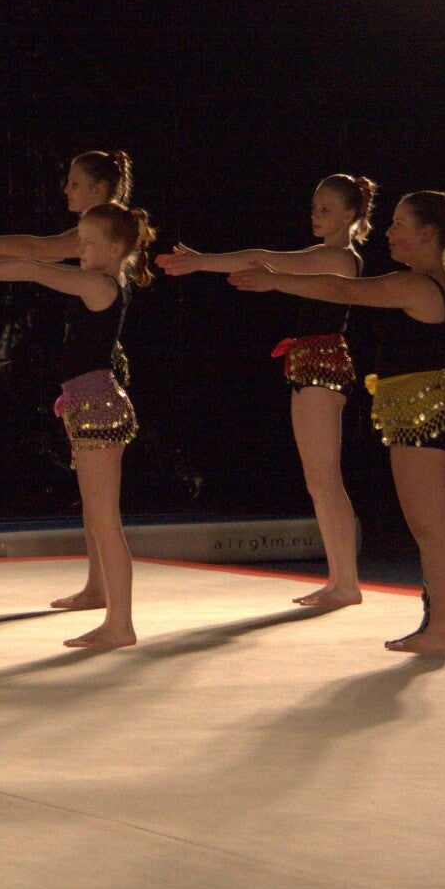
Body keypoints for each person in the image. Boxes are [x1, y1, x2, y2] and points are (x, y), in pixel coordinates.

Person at [231, 191, 445, 654]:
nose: (389, 232)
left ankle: (440, 630)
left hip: (425, 417)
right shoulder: (419, 280)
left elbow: (344, 290)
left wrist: (275, 280)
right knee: (427, 529)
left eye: (400, 224)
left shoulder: (417, 285)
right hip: (415, 415)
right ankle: (435, 626)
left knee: (431, 530)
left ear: (427, 234)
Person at [0, 203, 154, 649]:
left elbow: (33, 267)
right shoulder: (104, 280)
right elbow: (32, 259)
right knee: (99, 518)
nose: (79, 249)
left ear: (115, 249)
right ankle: (110, 610)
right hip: (88, 407)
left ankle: (120, 624)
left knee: (105, 522)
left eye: (88, 243)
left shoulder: (100, 284)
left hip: (97, 409)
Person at [157, 174, 376, 609]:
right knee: (318, 480)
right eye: (314, 207)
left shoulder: (340, 258)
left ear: (350, 215)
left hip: (323, 367)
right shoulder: (323, 253)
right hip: (309, 365)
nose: (315, 215)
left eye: (326, 209)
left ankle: (346, 582)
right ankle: (340, 579)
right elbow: (264, 260)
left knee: (325, 478)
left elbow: (267, 259)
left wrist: (206, 262)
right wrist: (202, 262)